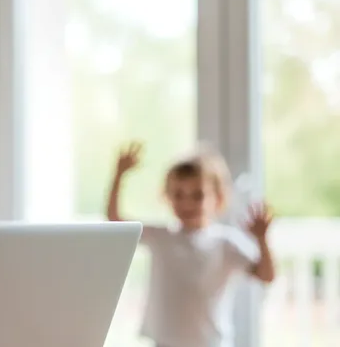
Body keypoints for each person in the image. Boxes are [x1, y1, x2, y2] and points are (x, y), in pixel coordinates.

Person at [106, 142, 276, 347]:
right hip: (165, 342)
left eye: (198, 195)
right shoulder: (161, 236)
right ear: (167, 197)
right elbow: (115, 220)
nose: (187, 203)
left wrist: (262, 239)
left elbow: (266, 275)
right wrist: (118, 176)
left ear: (218, 198)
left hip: (212, 343)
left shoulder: (226, 243)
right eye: (179, 194)